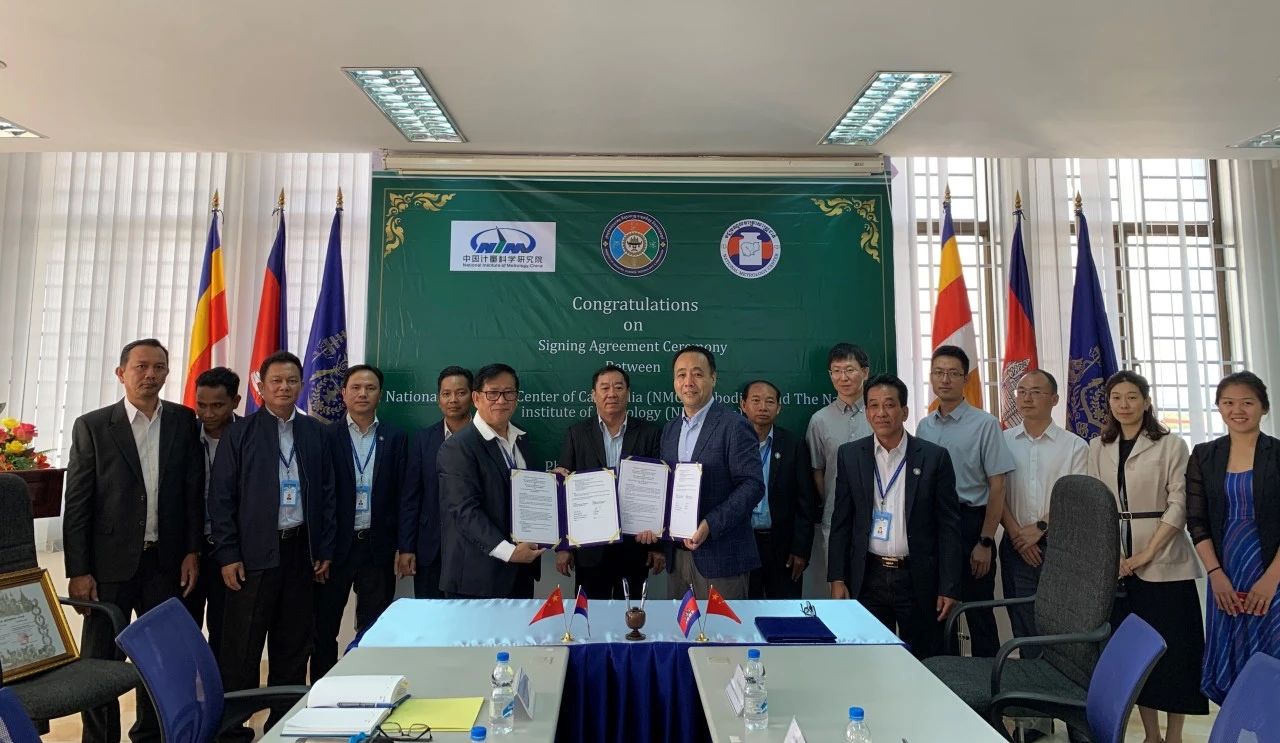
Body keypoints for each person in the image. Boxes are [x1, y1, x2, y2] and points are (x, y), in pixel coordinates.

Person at [63, 338, 203, 743]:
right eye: (141, 366)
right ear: (121, 373)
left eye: (159, 367)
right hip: (108, 567)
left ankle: (150, 736)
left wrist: (192, 550)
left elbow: (192, 492)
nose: (150, 375)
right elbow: (78, 504)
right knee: (99, 665)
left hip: (166, 562)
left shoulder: (183, 421)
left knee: (162, 662)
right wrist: (79, 570)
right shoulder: (92, 426)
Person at [208, 350, 336, 726]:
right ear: (261, 387)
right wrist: (228, 554)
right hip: (251, 558)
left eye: (292, 380)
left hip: (300, 553)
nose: (284, 387)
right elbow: (221, 499)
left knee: (293, 648)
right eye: (276, 381)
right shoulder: (240, 433)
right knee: (241, 651)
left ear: (302, 385)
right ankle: (234, 732)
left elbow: (328, 495)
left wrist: (323, 548)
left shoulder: (315, 432)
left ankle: (283, 726)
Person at [1087, 370, 1207, 743]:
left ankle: (1174, 735)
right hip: (1118, 564)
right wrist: (1117, 556)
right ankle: (1151, 735)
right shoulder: (1098, 446)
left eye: (1132, 397)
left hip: (1166, 561)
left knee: (1176, 652)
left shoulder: (1171, 444)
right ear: (1108, 403)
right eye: (1116, 398)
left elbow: (1179, 503)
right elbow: (1097, 502)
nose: (1124, 405)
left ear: (1146, 401)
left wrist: (1146, 554)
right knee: (1135, 656)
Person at [827, 374, 962, 659]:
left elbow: (949, 527)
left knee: (925, 659)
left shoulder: (934, 457)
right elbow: (841, 522)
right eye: (873, 405)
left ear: (905, 411)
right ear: (866, 412)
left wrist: (949, 586)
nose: (881, 413)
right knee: (872, 659)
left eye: (889, 405)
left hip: (917, 576)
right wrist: (837, 577)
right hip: (868, 575)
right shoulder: (850, 455)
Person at [999, 369, 1087, 742]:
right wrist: (1018, 535)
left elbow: (1077, 496)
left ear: (1054, 399)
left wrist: (1040, 529)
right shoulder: (1002, 441)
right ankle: (1035, 720)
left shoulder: (1074, 446)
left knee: (1067, 634)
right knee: (1026, 629)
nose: (1026, 397)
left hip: (1062, 547)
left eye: (1036, 391)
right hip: (1015, 545)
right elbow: (997, 494)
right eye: (1021, 391)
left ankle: (1075, 717)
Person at [915, 345, 1014, 657]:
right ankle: (946, 677)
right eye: (938, 372)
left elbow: (997, 486)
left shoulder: (985, 424)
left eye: (953, 373)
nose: (945, 379)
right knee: (938, 610)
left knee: (978, 612)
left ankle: (989, 683)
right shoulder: (924, 426)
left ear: (965, 379)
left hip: (970, 524)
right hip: (933, 525)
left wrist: (985, 541)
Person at [1188, 371, 1280, 705]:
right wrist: (1215, 576)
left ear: (1263, 408)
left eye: (1247, 403)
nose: (1237, 410)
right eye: (1228, 403)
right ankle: (1239, 727)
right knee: (1232, 660)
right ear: (1219, 407)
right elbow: (1196, 521)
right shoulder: (1204, 455)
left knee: (1271, 656)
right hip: (1225, 573)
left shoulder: (1277, 454)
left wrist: (1271, 580)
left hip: (1273, 571)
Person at [313, 364, 406, 679]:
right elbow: (319, 498)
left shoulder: (395, 437)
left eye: (370, 388)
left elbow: (404, 495)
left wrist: (403, 545)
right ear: (343, 393)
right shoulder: (326, 435)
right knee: (324, 625)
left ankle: (367, 685)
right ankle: (323, 688)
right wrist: (321, 549)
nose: (363, 393)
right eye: (355, 387)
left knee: (373, 626)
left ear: (380, 394)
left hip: (377, 547)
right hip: (335, 549)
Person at [660, 345, 763, 599]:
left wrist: (710, 524)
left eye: (697, 374)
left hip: (721, 557)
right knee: (679, 624)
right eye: (681, 375)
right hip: (677, 558)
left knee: (721, 626)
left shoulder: (735, 425)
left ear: (713, 378)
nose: (688, 382)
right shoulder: (670, 430)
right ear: (674, 382)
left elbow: (752, 485)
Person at [553, 364, 664, 599]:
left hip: (636, 546)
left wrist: (658, 546)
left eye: (618, 387)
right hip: (589, 549)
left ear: (628, 393)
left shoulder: (650, 433)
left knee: (632, 614)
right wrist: (564, 547)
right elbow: (565, 494)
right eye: (604, 388)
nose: (611, 393)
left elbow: (659, 491)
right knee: (591, 615)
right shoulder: (577, 434)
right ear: (594, 395)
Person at [437, 363, 543, 598]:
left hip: (521, 571)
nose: (501, 400)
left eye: (509, 393)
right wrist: (509, 552)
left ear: (516, 398)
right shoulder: (458, 446)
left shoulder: (523, 439)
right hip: (476, 579)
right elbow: (465, 511)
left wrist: (553, 484)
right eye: (492, 393)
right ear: (476, 398)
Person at [181, 366, 241, 660]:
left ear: (235, 402)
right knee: (185, 628)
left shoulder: (249, 435)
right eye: (201, 405)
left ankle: (221, 685)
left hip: (231, 548)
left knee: (227, 629)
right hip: (189, 548)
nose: (207, 413)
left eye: (217, 405)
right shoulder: (184, 434)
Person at [739, 379, 819, 599]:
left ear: (779, 407)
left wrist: (801, 550)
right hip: (742, 544)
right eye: (756, 400)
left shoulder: (793, 444)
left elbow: (806, 501)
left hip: (782, 547)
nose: (763, 407)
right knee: (743, 611)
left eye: (769, 401)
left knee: (784, 612)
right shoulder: (732, 443)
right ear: (743, 405)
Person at [399, 365, 473, 598]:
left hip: (477, 548)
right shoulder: (423, 440)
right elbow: (411, 497)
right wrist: (407, 547)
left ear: (473, 396)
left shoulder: (487, 437)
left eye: (461, 393)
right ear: (438, 399)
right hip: (431, 548)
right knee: (432, 614)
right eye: (446, 394)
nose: (453, 400)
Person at [805, 343, 873, 582]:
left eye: (850, 370)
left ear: (865, 372)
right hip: (835, 517)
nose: (843, 377)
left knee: (874, 588)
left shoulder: (879, 414)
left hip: (878, 516)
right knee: (838, 585)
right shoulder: (819, 420)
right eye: (836, 371)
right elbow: (817, 470)